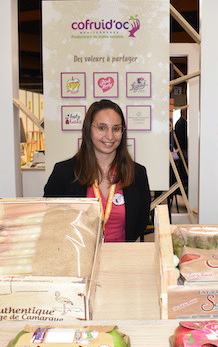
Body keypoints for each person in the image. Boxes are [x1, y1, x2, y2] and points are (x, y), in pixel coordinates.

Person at [44, 99, 151, 242]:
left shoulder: (137, 173)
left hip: (122, 253)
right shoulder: (64, 172)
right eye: (101, 128)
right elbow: (51, 220)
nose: (110, 136)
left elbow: (141, 221)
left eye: (116, 129)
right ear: (88, 129)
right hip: (77, 254)